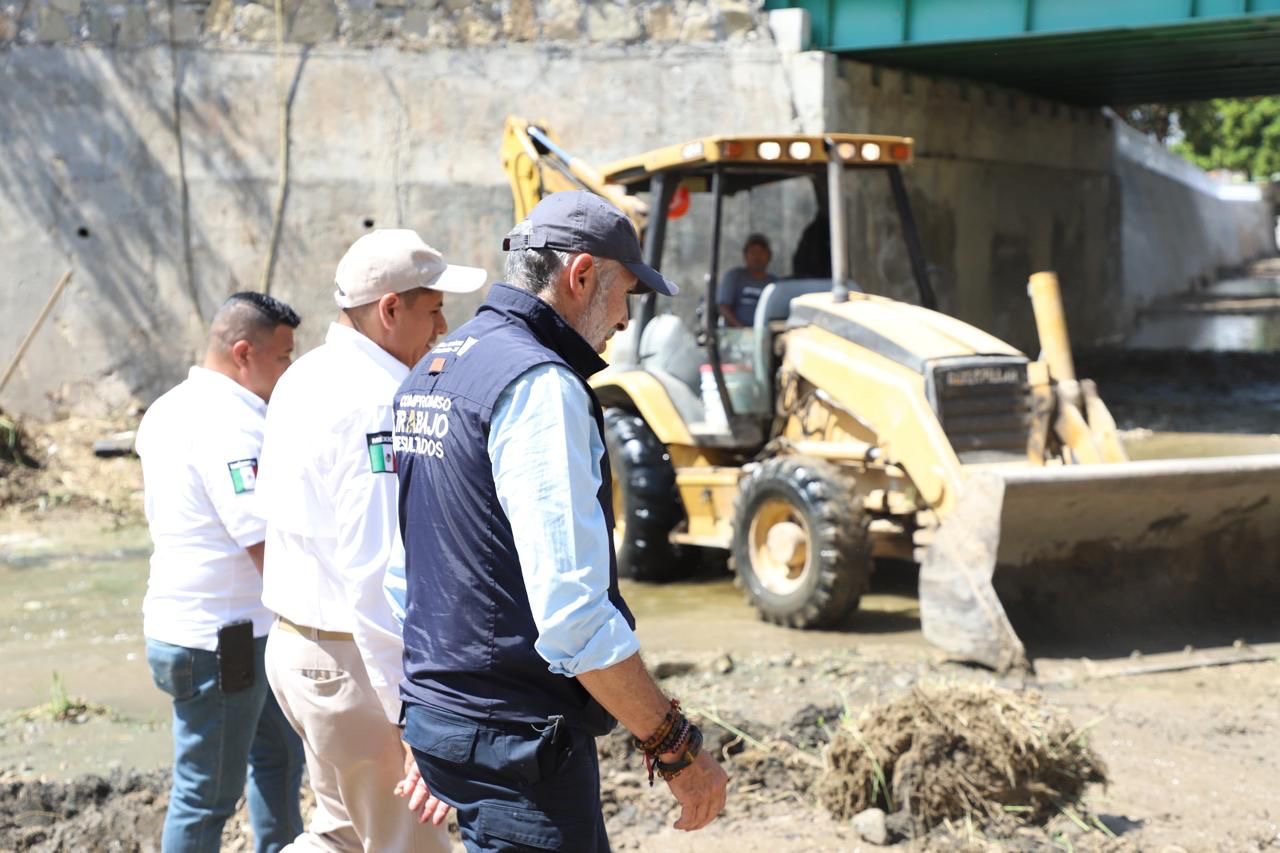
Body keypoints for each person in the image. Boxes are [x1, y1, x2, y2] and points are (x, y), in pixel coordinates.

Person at [393, 191, 730, 852]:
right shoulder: (539, 386)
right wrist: (677, 748)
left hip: (447, 718)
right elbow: (574, 614)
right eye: (625, 292)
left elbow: (406, 576)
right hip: (517, 742)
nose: (626, 319)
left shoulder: (432, 371)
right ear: (580, 277)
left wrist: (429, 718)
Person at [255, 230, 485, 851]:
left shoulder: (305, 376)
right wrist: (410, 715)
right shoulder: (378, 404)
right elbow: (377, 570)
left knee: (340, 834)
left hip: (300, 649)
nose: (442, 326)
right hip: (355, 664)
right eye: (433, 309)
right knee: (410, 844)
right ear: (390, 310)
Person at [137, 291, 306, 853]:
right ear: (243, 352)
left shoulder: (169, 406)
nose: (289, 369)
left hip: (231, 629)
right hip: (220, 639)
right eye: (283, 357)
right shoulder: (229, 423)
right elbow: (262, 541)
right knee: (207, 796)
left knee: (280, 761)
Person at [717, 232, 776, 327]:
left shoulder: (775, 283)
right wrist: (741, 329)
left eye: (761, 252)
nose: (757, 257)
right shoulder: (734, 277)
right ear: (745, 255)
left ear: (769, 256)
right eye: (753, 252)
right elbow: (723, 307)